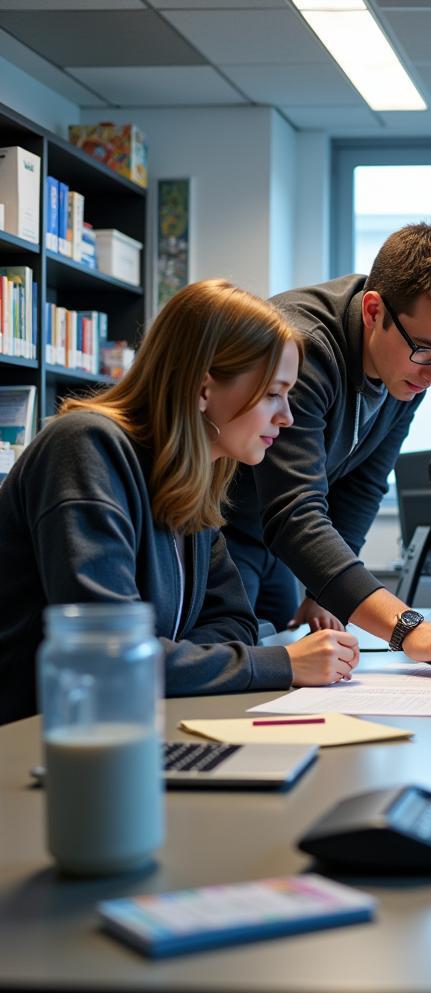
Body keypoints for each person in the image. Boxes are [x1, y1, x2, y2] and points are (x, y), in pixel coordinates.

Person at [0, 279, 359, 725]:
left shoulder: (189, 478)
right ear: (205, 389)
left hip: (125, 725)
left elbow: (235, 622)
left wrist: (177, 659)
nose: (286, 416)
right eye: (272, 393)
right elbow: (112, 657)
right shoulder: (85, 449)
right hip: (36, 742)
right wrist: (282, 663)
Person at [223, 222, 431, 680]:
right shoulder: (305, 347)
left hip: (279, 545)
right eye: (429, 352)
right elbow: (295, 511)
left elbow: (364, 484)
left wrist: (329, 590)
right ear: (374, 311)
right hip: (225, 529)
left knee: (289, 663)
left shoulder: (408, 368)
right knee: (242, 667)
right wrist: (408, 627)